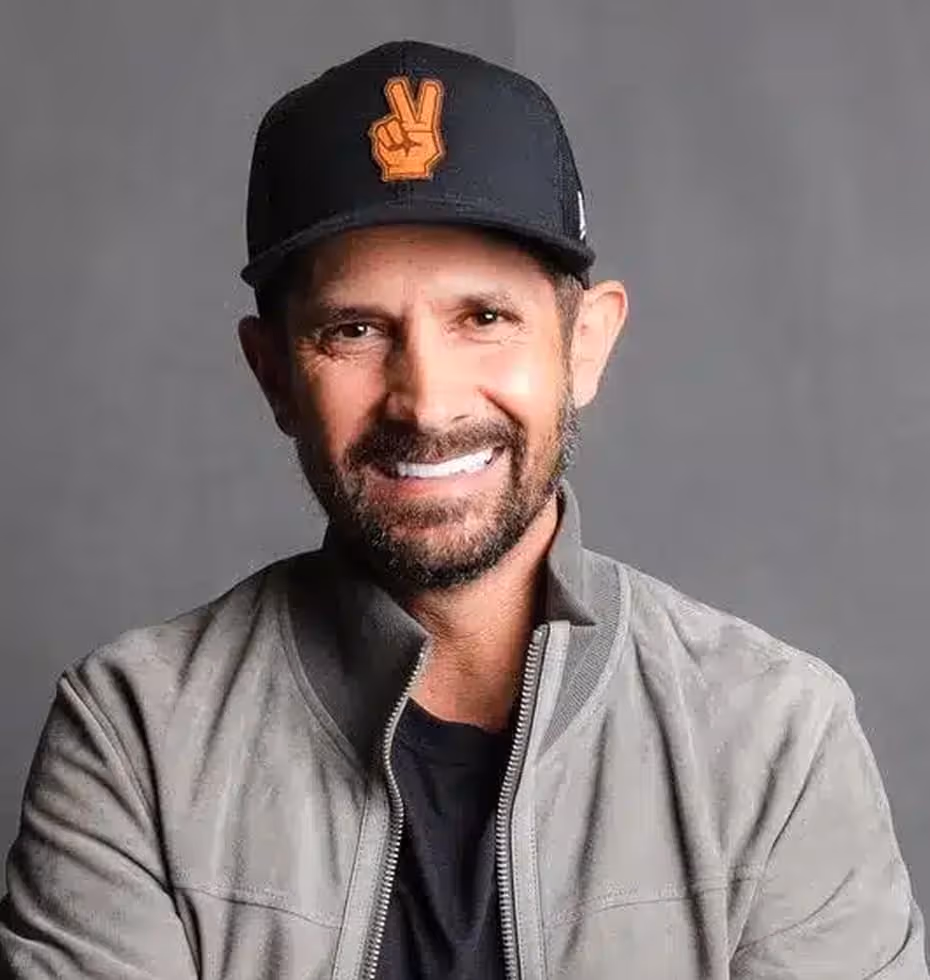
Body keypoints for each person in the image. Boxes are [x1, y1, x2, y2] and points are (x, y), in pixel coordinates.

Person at [0, 38, 926, 979]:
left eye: (484, 318)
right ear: (274, 373)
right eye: (354, 330)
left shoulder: (772, 738)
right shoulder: (138, 734)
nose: (428, 403)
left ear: (587, 344)